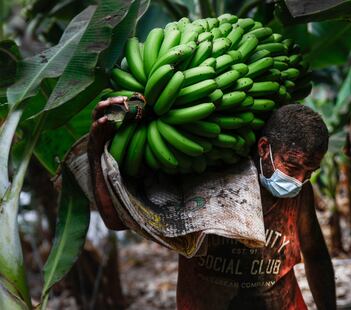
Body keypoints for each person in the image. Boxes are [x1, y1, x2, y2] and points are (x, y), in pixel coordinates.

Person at [87, 97, 336, 310]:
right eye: (292, 167)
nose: (299, 180)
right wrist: (97, 146)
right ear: (264, 148)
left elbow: (315, 254)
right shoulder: (209, 179)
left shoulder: (301, 193)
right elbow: (115, 219)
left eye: (310, 172)